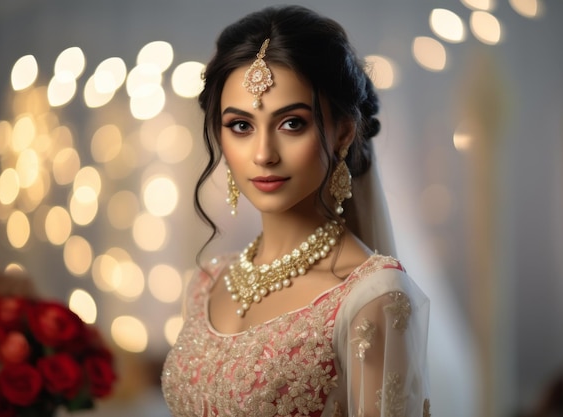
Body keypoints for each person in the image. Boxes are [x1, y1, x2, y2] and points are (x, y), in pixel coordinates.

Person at [161, 5, 430, 417]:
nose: (264, 154)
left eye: (291, 124)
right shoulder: (206, 283)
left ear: (343, 131)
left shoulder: (372, 296)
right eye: (241, 126)